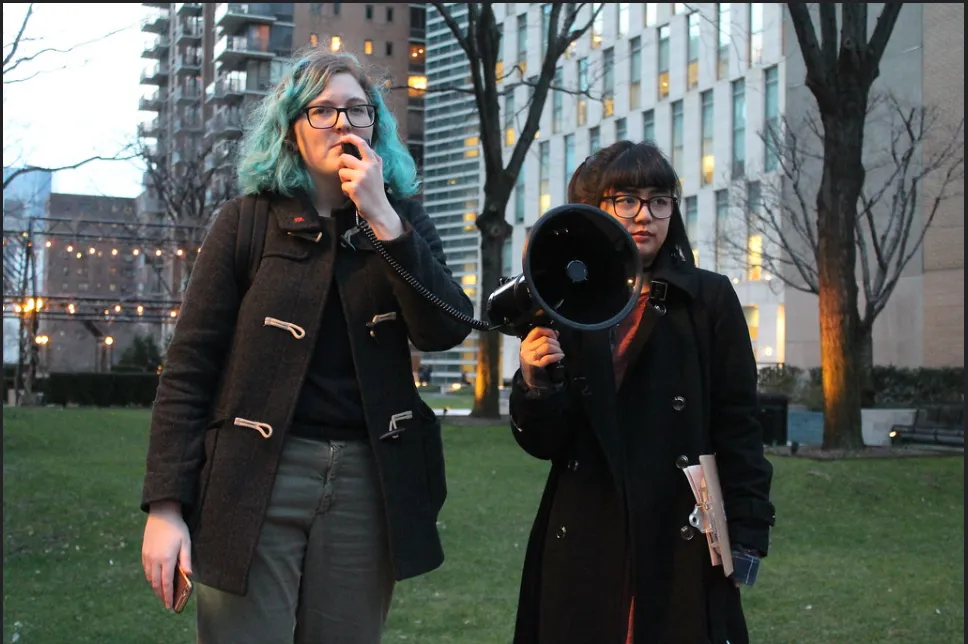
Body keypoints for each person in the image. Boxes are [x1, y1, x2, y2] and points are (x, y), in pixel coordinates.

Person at [139, 49, 473, 643]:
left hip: (367, 480)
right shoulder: (245, 223)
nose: (343, 123)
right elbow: (188, 371)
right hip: (252, 480)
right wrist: (166, 506)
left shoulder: (404, 222)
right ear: (292, 128)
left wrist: (383, 220)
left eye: (357, 110)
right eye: (323, 110)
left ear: (377, 126)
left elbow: (445, 328)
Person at [509, 140, 775, 644]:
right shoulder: (565, 298)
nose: (644, 215)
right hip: (586, 525)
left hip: (683, 527)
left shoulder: (708, 299)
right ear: (596, 209)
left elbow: (739, 421)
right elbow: (544, 443)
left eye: (659, 200)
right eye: (625, 200)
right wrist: (535, 383)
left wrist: (748, 530)